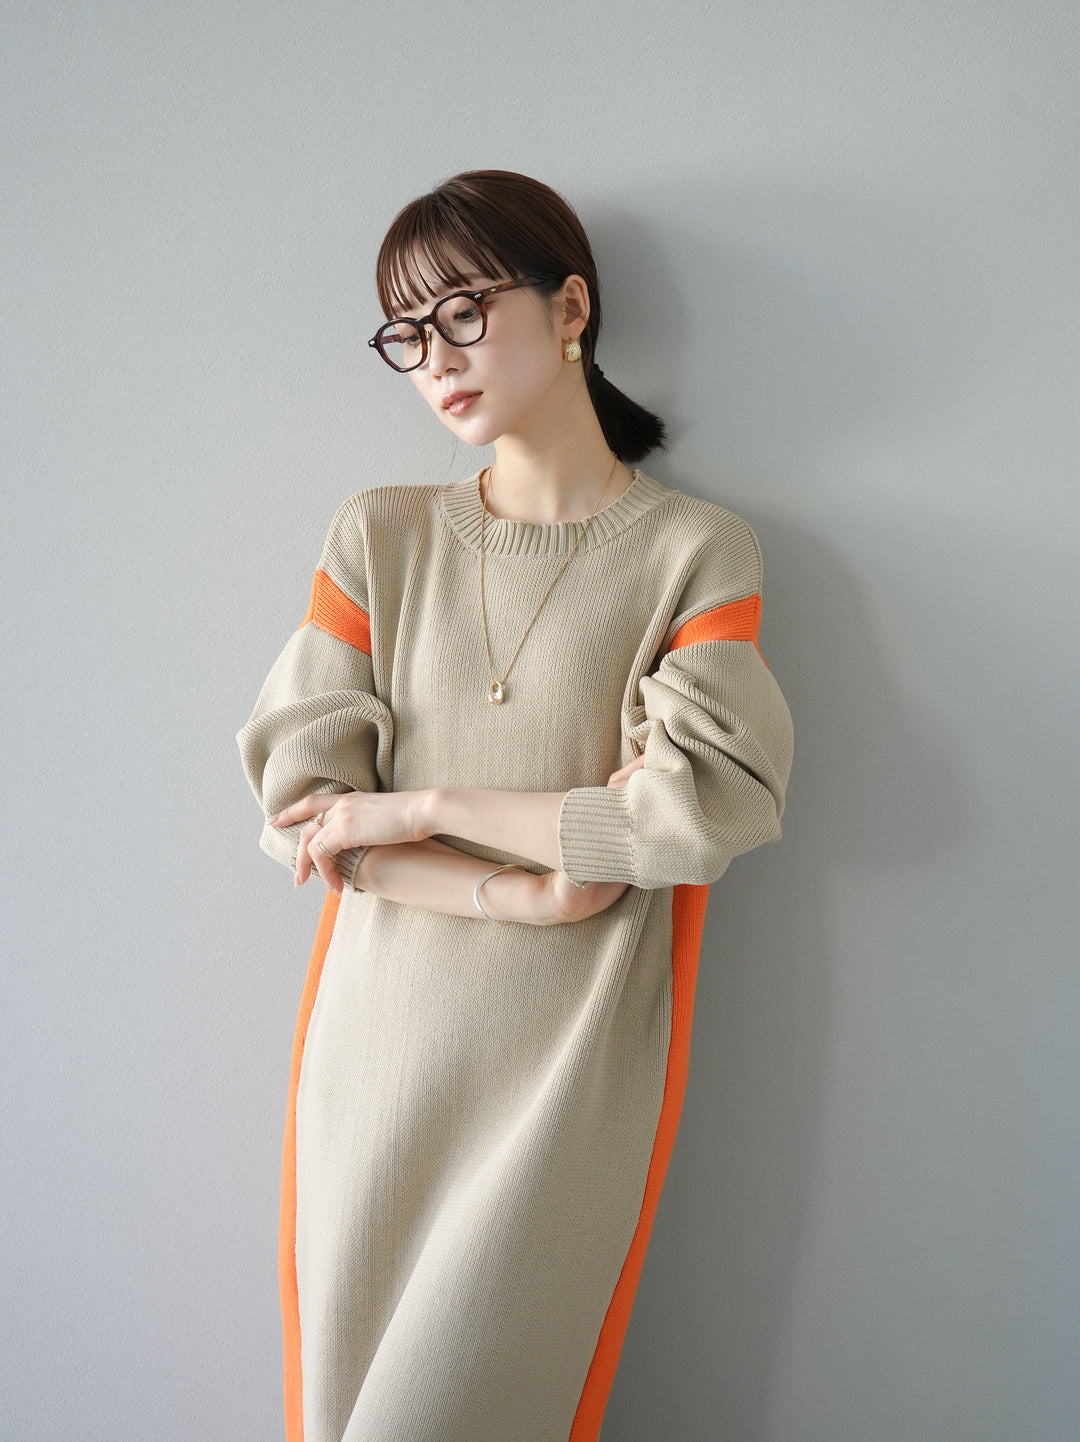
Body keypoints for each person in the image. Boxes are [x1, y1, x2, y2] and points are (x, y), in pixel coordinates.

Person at [236, 168, 794, 1442]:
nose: (435, 357)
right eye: (406, 332)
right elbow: (308, 813)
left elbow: (698, 810)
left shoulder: (696, 552)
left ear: (572, 306)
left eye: (465, 312)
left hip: (566, 1079)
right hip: (379, 1048)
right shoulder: (379, 536)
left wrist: (413, 806)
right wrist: (523, 889)